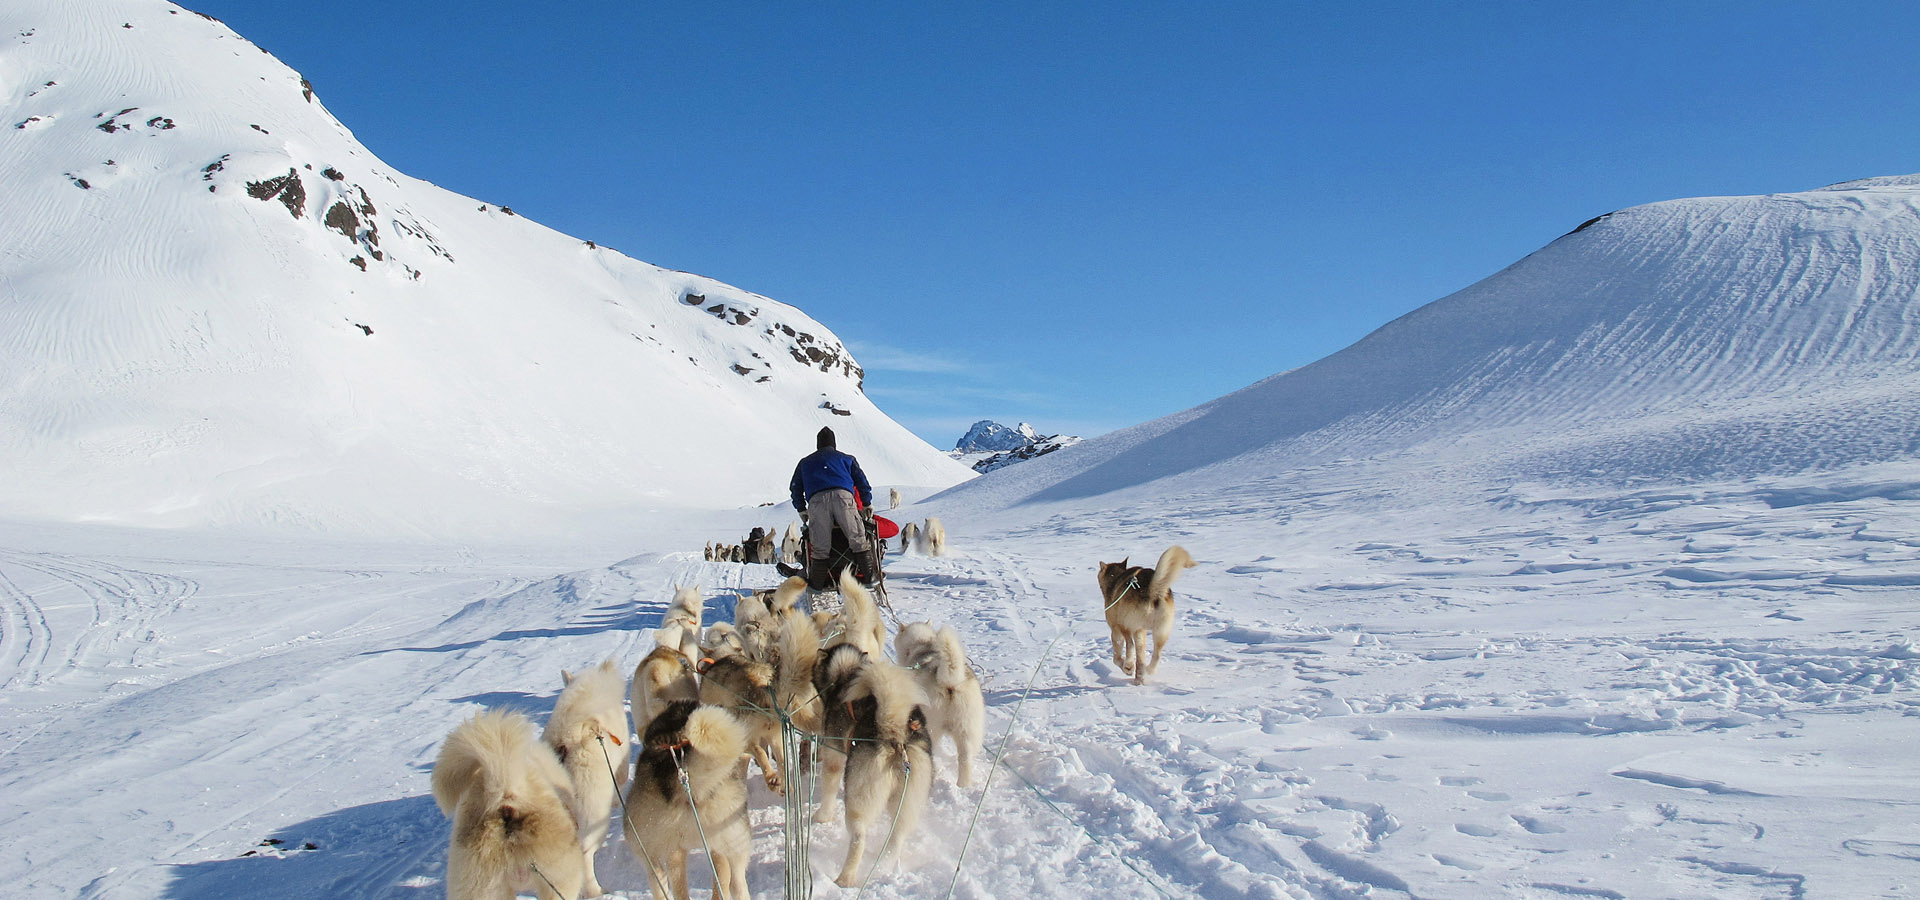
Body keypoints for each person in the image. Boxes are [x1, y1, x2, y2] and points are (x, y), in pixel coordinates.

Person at [789, 426, 875, 590]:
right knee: (857, 538)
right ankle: (869, 576)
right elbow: (862, 481)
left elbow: (795, 487)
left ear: (818, 444)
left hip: (817, 501)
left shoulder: (805, 462)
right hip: (843, 498)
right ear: (834, 444)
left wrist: (801, 508)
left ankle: (817, 584)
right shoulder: (846, 459)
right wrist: (867, 502)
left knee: (820, 546)